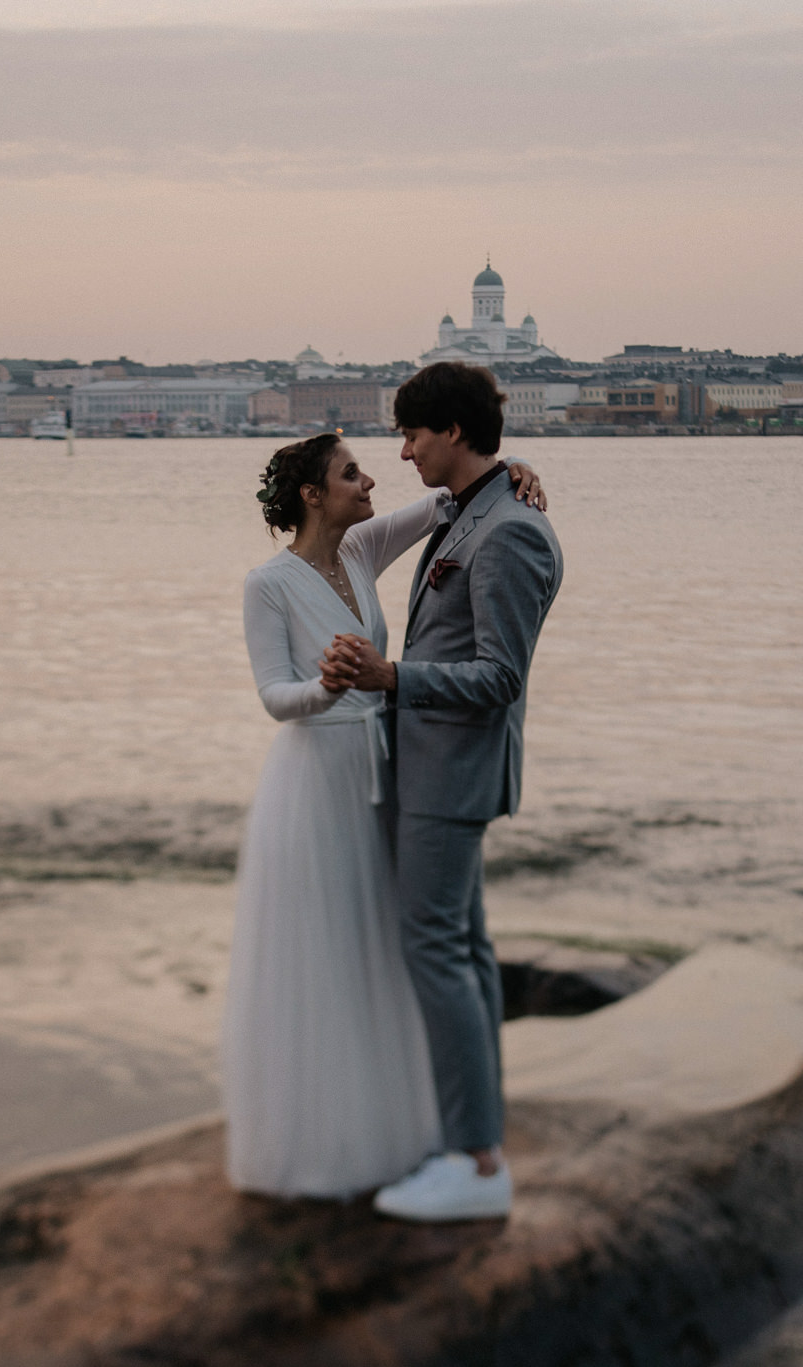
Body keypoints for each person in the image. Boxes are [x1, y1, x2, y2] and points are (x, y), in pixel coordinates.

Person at [222, 432, 544, 1199]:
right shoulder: (266, 584)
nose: (370, 480)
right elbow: (274, 697)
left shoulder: (362, 549)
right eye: (350, 473)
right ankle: (327, 1142)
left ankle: (411, 1126)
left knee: (388, 941)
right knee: (329, 950)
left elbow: (447, 500)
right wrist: (327, 690)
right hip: (315, 779)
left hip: (388, 770)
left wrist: (515, 473)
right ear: (311, 494)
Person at [323, 362, 564, 1222]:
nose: (404, 449)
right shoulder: (479, 508)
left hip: (450, 772)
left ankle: (474, 1158)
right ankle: (475, 1138)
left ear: (452, 432)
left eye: (414, 434)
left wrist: (393, 676)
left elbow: (500, 675)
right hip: (431, 766)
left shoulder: (510, 534)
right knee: (464, 951)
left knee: (435, 949)